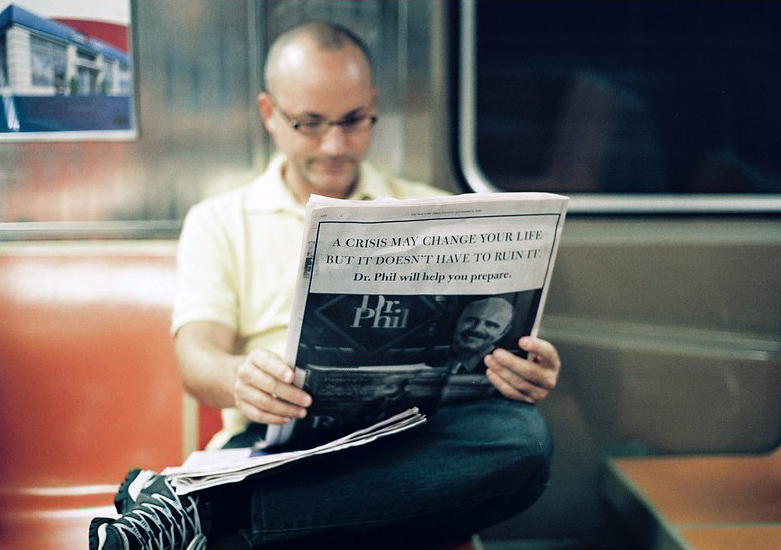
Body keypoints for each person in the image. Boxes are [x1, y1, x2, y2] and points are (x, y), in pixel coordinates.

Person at [89, 21, 561, 550]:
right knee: (423, 499)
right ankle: (260, 515)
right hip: (276, 452)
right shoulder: (219, 221)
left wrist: (518, 373)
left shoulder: (433, 214)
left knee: (520, 439)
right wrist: (240, 376)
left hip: (412, 444)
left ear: (374, 105)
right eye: (309, 124)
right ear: (270, 114)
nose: (335, 145)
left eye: (354, 121)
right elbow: (196, 361)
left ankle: (206, 514)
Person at [446, 297, 515, 375]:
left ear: (504, 332)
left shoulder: (507, 370)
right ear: (458, 321)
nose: (476, 329)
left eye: (490, 325)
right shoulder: (433, 354)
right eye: (471, 320)